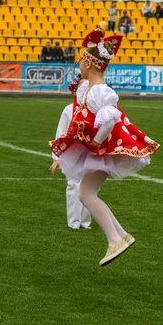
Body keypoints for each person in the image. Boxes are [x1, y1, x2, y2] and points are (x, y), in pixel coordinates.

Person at [50, 29, 160, 266]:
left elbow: (109, 118)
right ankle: (121, 236)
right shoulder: (90, 88)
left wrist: (97, 142)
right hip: (100, 153)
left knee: (86, 194)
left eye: (81, 59)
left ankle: (114, 240)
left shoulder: (99, 90)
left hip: (102, 152)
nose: (79, 63)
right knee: (87, 193)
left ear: (89, 63)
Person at [50, 73, 92, 230]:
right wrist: (57, 158)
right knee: (74, 184)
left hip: (89, 152)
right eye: (82, 87)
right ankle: (74, 222)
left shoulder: (94, 110)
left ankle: (85, 222)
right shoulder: (69, 110)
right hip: (73, 154)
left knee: (88, 187)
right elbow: (61, 133)